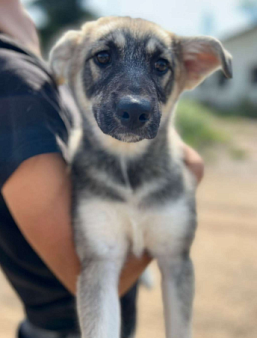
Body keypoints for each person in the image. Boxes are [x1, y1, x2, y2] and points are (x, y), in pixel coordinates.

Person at [0, 1, 204, 337]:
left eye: (159, 65)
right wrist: (192, 171)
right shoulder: (13, 78)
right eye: (104, 59)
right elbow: (82, 271)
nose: (135, 99)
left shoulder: (33, 56)